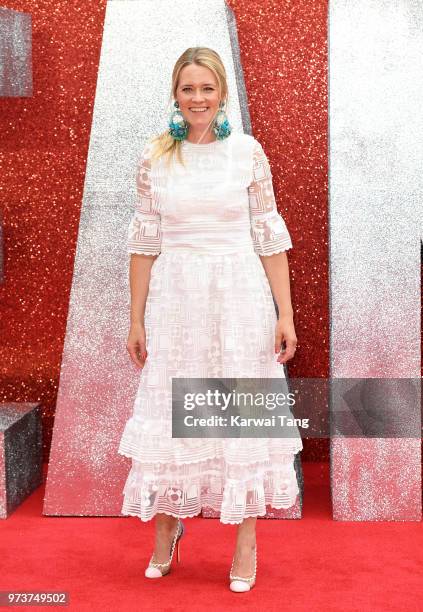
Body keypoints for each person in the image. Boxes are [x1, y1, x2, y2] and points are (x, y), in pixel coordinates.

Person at [118, 46, 303, 593]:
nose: (197, 99)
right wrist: (136, 319)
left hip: (239, 293)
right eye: (187, 89)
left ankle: (245, 540)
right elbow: (144, 242)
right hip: (176, 297)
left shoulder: (246, 152)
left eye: (206, 88)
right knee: (174, 405)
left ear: (221, 93)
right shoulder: (155, 157)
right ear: (174, 95)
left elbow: (269, 236)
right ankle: (168, 528)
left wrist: (284, 313)